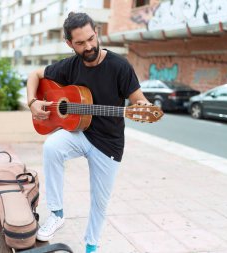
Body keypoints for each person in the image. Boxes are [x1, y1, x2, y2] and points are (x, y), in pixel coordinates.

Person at [26, 12, 150, 253]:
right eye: (81, 43)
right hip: (80, 133)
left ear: (97, 32)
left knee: (99, 202)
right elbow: (35, 75)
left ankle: (91, 247)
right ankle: (57, 213)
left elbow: (138, 99)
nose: (89, 46)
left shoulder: (119, 66)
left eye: (91, 38)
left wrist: (142, 107)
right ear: (69, 44)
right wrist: (32, 102)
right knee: (51, 147)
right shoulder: (69, 66)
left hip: (108, 143)